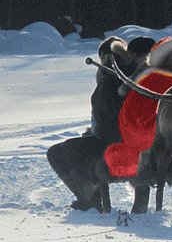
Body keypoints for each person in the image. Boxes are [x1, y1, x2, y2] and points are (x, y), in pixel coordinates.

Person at [47, 35, 155, 211]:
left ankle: (89, 199)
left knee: (69, 150)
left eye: (106, 56)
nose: (104, 61)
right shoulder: (108, 78)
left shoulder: (123, 77)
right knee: (56, 153)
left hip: (120, 139)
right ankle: (87, 197)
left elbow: (118, 109)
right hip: (104, 136)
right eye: (103, 57)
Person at [103, 36, 172, 179]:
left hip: (139, 134)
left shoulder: (153, 77)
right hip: (148, 136)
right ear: (165, 58)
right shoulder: (161, 80)